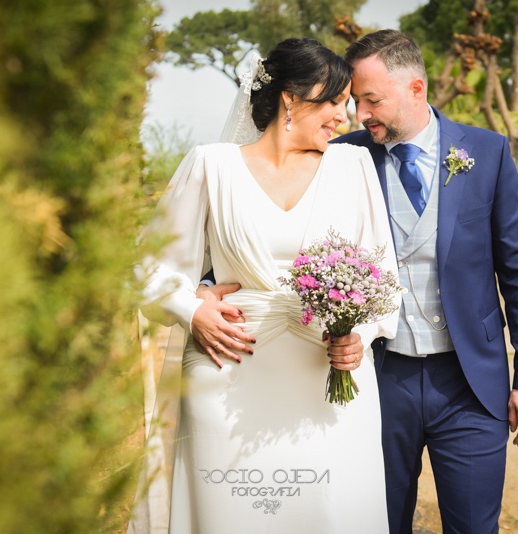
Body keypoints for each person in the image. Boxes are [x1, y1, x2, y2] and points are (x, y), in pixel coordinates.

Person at [198, 29, 518, 533]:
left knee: (474, 525)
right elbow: (273, 226)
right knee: (378, 522)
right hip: (376, 380)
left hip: (471, 384)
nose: (359, 115)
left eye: (371, 100)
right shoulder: (342, 158)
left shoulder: (488, 153)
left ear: (416, 90)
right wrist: (206, 286)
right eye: (354, 101)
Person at [140, 38, 399, 533]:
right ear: (290, 97)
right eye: (334, 103)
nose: (343, 119)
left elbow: (383, 277)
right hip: (227, 373)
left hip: (328, 383)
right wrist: (190, 308)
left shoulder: (354, 168)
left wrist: (359, 337)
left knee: (332, 512)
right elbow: (147, 267)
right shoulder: (209, 166)